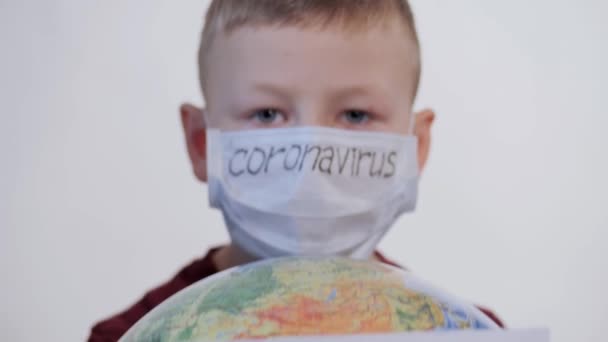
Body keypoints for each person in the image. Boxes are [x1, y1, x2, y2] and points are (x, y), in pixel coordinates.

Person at [89, 1, 503, 340]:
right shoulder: (130, 337)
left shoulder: (468, 333)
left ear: (417, 146)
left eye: (356, 115)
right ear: (202, 143)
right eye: (267, 113)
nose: (311, 156)